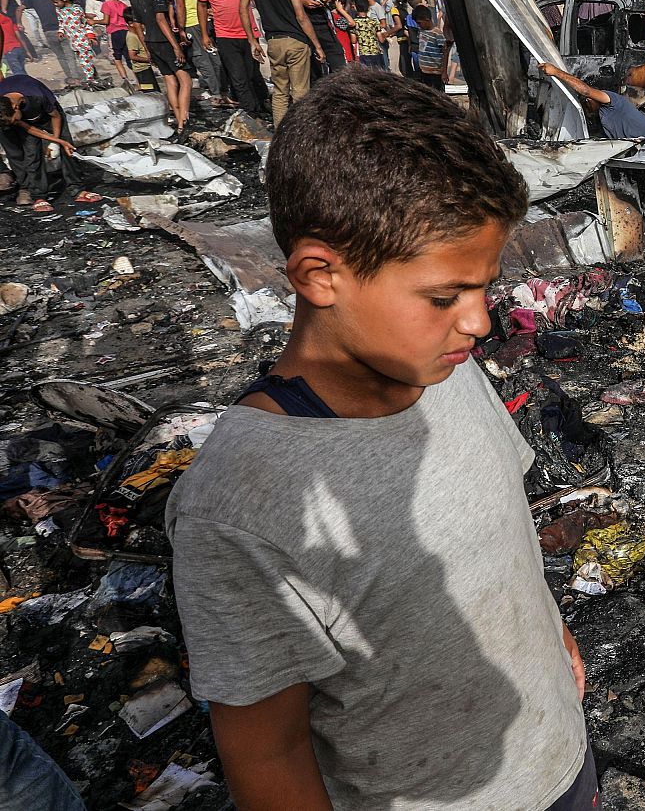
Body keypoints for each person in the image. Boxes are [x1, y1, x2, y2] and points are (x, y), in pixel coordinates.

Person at [166, 62, 595, 811]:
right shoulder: (241, 506)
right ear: (319, 276)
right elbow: (268, 752)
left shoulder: (448, 374)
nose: (480, 321)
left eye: (484, 286)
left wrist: (550, 642)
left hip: (561, 761)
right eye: (444, 295)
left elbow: (499, 532)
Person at [240, 0, 324, 124]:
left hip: (273, 42)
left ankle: (280, 135)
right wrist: (317, 45)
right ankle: (300, 136)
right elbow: (301, 16)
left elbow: (243, 8)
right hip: (296, 42)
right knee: (301, 93)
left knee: (280, 93)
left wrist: (252, 41)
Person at [0, 74, 95, 210]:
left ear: (16, 107)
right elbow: (29, 128)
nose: (15, 123)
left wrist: (57, 142)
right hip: (26, 117)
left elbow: (55, 116)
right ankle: (39, 196)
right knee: (32, 154)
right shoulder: (5, 106)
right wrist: (55, 141)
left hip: (48, 114)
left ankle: (78, 189)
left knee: (67, 146)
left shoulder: (37, 96)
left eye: (15, 121)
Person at [196, 0, 265, 115]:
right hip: (224, 34)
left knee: (252, 74)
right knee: (238, 78)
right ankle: (252, 114)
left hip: (247, 33)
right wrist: (205, 34)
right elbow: (202, 5)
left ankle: (262, 105)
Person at [129, 0, 194, 133]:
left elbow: (137, 24)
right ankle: (183, 121)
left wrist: (146, 47)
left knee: (169, 80)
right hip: (164, 40)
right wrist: (176, 46)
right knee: (185, 80)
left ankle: (177, 117)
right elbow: (160, 19)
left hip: (150, 41)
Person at [537, 61, 645, 141]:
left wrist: (556, 72)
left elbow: (585, 90)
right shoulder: (603, 118)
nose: (587, 108)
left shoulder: (613, 101)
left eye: (586, 103)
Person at [48, 0, 95, 85]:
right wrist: (61, 31)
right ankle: (91, 77)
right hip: (73, 41)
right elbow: (61, 22)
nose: (55, 4)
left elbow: (85, 23)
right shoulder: (59, 10)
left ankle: (90, 79)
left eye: (56, 2)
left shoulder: (77, 9)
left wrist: (90, 36)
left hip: (82, 39)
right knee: (83, 61)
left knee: (84, 60)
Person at [412, 5, 450, 90]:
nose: (418, 25)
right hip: (424, 71)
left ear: (427, 19)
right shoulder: (422, 32)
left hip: (435, 73)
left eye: (419, 23)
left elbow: (445, 52)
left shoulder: (437, 34)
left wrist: (444, 72)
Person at [349, 0, 385, 68]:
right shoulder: (374, 22)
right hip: (376, 53)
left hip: (363, 54)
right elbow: (381, 39)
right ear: (368, 8)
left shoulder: (354, 23)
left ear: (355, 8)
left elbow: (353, 40)